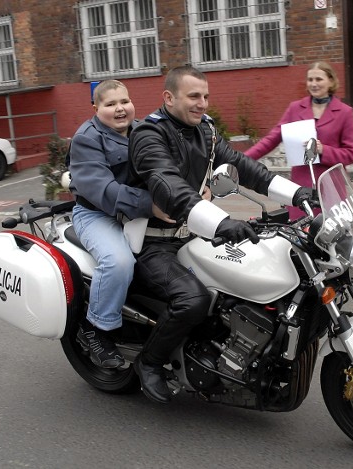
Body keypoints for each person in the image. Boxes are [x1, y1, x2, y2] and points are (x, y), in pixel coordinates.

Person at [127, 65, 314, 404]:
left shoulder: (206, 131)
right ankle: (149, 363)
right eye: (194, 96)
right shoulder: (148, 135)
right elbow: (169, 187)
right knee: (193, 300)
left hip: (194, 235)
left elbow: (244, 168)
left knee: (248, 277)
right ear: (169, 98)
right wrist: (221, 224)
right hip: (155, 242)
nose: (202, 103)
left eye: (206, 96)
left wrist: (296, 193)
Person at [68, 79, 172, 369]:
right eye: (110, 104)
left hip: (140, 214)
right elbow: (103, 190)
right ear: (95, 107)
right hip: (98, 215)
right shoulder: (86, 138)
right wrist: (150, 204)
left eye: (124, 101)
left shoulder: (143, 130)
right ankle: (97, 330)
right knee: (119, 262)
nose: (119, 109)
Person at [245, 61, 353, 218]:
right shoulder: (295, 108)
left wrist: (323, 149)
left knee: (332, 237)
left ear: (331, 81)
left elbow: (351, 153)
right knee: (301, 235)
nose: (314, 84)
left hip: (331, 187)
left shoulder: (344, 112)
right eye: (310, 80)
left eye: (319, 79)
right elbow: (271, 139)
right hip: (301, 188)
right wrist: (241, 160)